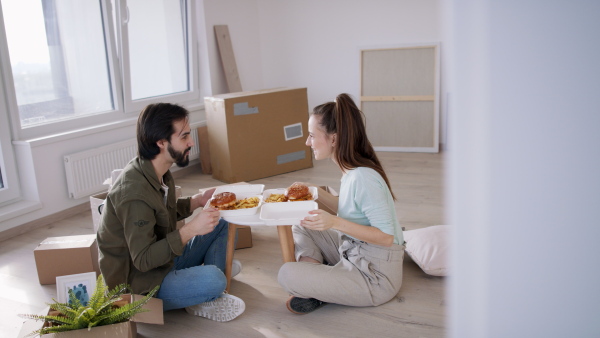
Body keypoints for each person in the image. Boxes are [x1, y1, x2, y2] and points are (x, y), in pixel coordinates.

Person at [97, 103, 245, 322]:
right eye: (184, 137)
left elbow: (160, 213)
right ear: (161, 142)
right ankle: (206, 288)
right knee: (215, 278)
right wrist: (190, 230)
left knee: (220, 222)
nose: (191, 143)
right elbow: (143, 260)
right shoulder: (133, 195)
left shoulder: (157, 171)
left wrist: (196, 201)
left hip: (163, 263)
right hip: (141, 285)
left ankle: (201, 286)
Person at [277, 93, 405, 314]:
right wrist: (315, 192)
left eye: (311, 135)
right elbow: (350, 210)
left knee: (286, 274)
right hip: (355, 252)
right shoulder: (352, 172)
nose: (307, 142)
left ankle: (320, 286)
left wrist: (334, 222)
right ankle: (322, 283)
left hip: (375, 276)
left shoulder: (362, 178)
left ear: (333, 139)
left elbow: (386, 237)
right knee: (302, 224)